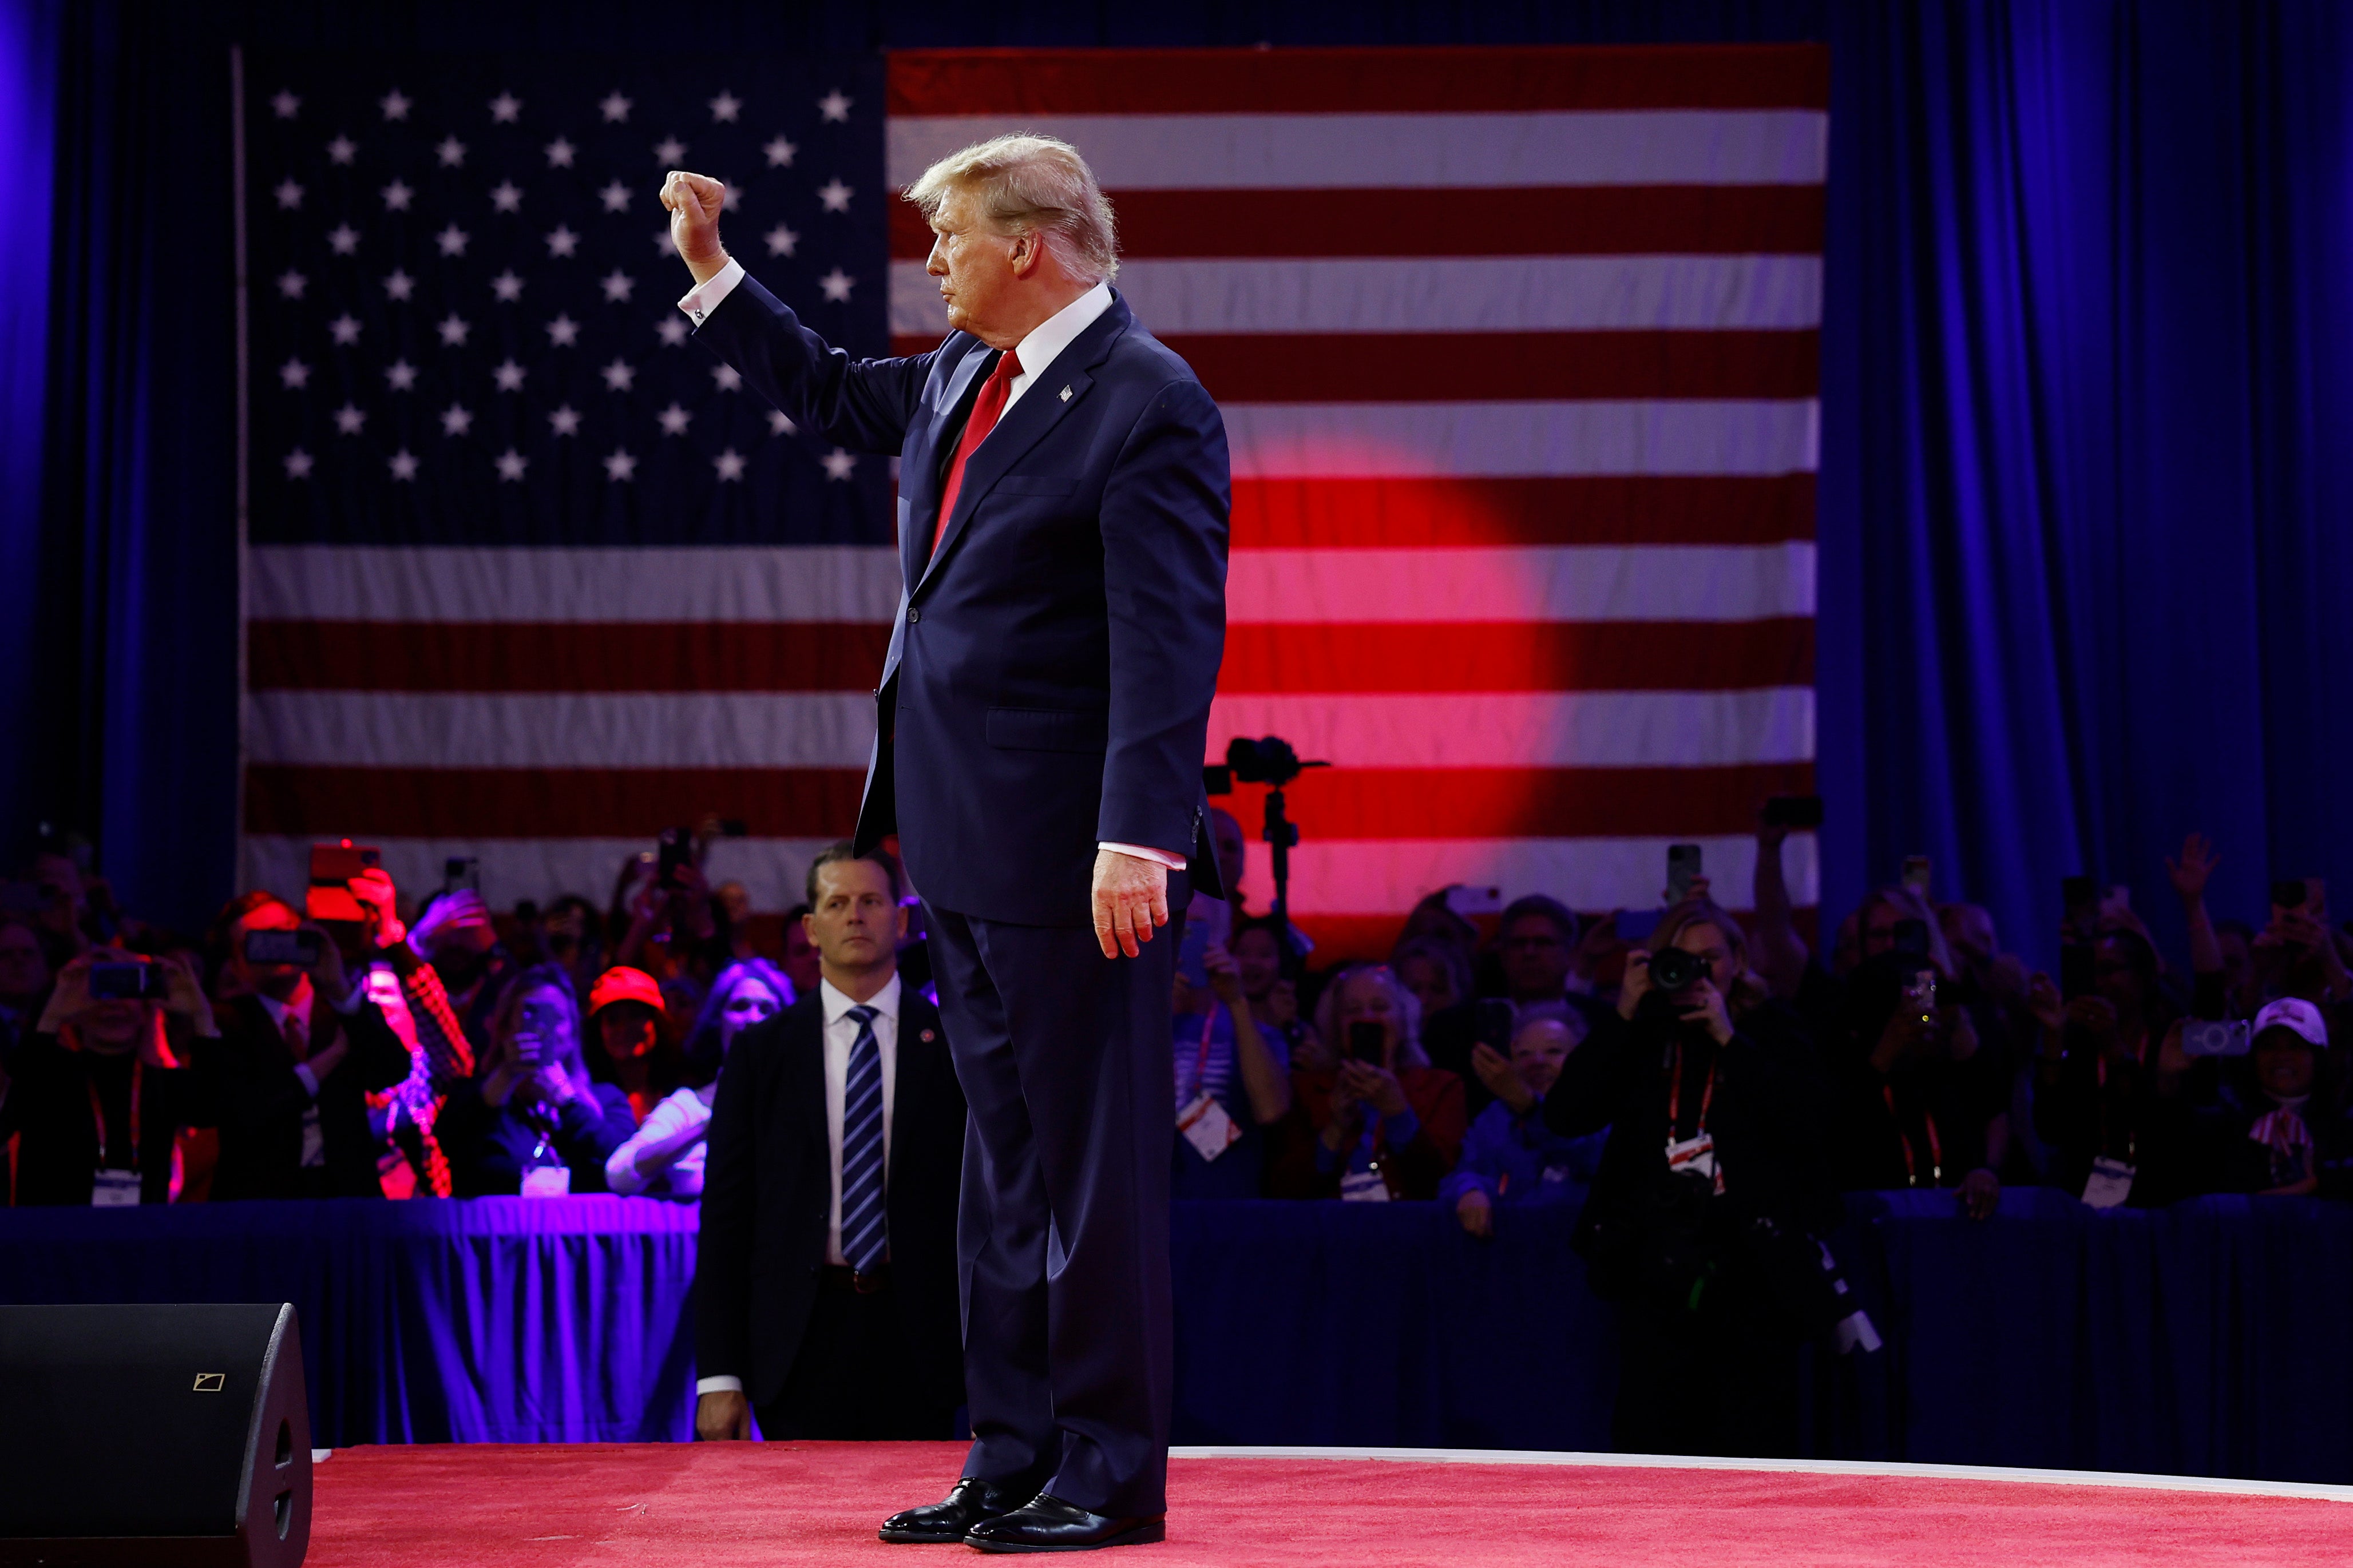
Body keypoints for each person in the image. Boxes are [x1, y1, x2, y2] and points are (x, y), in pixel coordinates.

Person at [666, 126, 1226, 1552]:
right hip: (956, 847)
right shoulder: (967, 377)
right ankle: (1009, 1452)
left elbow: (1167, 639)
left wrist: (1140, 836)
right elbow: (830, 390)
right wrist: (718, 276)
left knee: (1091, 1181)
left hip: (1076, 857)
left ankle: (1105, 1471)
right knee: (1001, 1173)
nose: (929, 264)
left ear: (1026, 245)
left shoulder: (1146, 400)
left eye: (947, 237)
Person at [1542, 897, 1840, 1457]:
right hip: (1653, 1268)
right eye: (1681, 959)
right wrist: (1623, 1012)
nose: (1698, 971)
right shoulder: (1641, 1033)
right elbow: (1565, 1113)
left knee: (1750, 1444)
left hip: (1754, 1270)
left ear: (1738, 960)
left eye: (1711, 958)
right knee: (1653, 1442)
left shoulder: (1770, 1028)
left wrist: (1729, 1038)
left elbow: (1810, 1120)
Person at [695, 844, 966, 1442]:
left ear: (900, 920)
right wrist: (718, 1375)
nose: (854, 916)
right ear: (811, 927)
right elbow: (725, 1221)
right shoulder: (761, 1053)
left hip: (923, 1336)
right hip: (797, 1337)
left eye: (871, 900)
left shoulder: (954, 1047)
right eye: (837, 902)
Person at [196, 891, 414, 1200]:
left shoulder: (343, 1010)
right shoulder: (225, 1025)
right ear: (238, 963)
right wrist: (331, 1057)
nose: (281, 945)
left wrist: (338, 985)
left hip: (346, 1201)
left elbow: (392, 1070)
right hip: (259, 1205)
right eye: (263, 940)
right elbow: (240, 1110)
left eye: (289, 931)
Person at [0, 949, 213, 1204]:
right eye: (101, 989)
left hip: (138, 1236)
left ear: (147, 1008)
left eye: (127, 990)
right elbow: (12, 1111)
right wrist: (53, 1014)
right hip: (54, 1237)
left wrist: (201, 1016)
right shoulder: (48, 1077)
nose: (113, 1004)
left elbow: (212, 1106)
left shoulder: (162, 1084)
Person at [1826, 951, 2005, 1218]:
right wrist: (1886, 1052)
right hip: (1877, 1232)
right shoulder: (1844, 1075)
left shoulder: (1943, 1070)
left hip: (1949, 1228)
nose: (1925, 1019)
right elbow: (1839, 1143)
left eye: (1928, 1005)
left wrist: (1984, 1171)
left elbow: (1994, 1113)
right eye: (1911, 1009)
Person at [1269, 963, 1465, 1201]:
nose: (1367, 1018)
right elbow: (1284, 1192)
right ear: (1336, 1025)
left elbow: (1444, 1184)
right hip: (1329, 1232)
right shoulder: (1304, 1089)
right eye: (1353, 1010)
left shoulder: (1442, 1088)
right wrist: (1336, 1129)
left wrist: (1398, 1114)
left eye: (1380, 1007)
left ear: (1403, 1021)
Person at [437, 965, 637, 1196]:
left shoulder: (606, 1100)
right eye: (529, 1015)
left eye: (555, 1018)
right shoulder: (476, 1096)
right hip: (501, 1230)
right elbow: (450, 1141)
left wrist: (567, 1101)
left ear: (573, 1033)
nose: (542, 1029)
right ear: (504, 1029)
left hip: (581, 1230)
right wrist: (505, 1076)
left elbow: (627, 1167)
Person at [607, 959, 790, 1200]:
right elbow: (618, 1175)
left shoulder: (808, 1101)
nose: (753, 1019)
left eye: (767, 1009)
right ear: (718, 1021)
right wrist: (710, 1125)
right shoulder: (689, 1108)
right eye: (740, 1007)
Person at [1424, 895, 1605, 1123]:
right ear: (1503, 955)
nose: (1530, 952)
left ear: (1570, 953)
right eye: (1519, 944)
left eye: (1544, 943)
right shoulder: (1452, 1028)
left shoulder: (1603, 1023)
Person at [1440, 1005, 1607, 1237]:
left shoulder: (1604, 1108)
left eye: (1553, 1051)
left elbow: (1592, 1158)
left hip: (1581, 1247)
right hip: (1510, 1252)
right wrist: (1470, 1190)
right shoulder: (1497, 1115)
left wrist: (1531, 1109)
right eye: (1524, 1054)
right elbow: (1464, 1173)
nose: (1537, 1061)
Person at [1168, 938, 1292, 1198]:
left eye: (1197, 931)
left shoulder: (1256, 1033)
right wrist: (1153, 1012)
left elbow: (1271, 1111)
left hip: (1229, 1206)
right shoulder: (1136, 1023)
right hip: (1149, 1205)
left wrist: (1236, 1001)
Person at [2194, 998, 2353, 1197]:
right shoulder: (2225, 1123)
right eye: (2269, 1047)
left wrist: (2319, 1184)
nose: (2281, 1056)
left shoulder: (2342, 1127)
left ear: (2318, 1058)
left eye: (2295, 1046)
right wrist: (2167, 1080)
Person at [584, 966, 678, 1124]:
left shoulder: (684, 1089)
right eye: (613, 1020)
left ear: (657, 1023)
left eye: (635, 1015)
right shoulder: (586, 1098)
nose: (624, 1028)